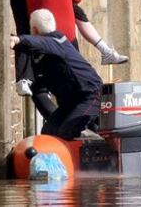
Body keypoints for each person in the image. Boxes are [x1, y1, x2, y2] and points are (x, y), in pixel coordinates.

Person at [10, 9, 103, 140]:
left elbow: (40, 43)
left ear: (35, 30)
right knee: (49, 133)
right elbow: (27, 45)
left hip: (90, 95)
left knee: (68, 131)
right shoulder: (46, 45)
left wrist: (20, 39)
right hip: (71, 102)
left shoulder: (58, 41)